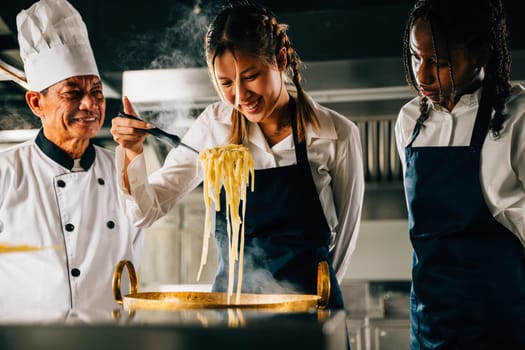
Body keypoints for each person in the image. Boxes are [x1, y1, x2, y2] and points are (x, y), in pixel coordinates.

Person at [111, 2, 364, 310]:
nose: (241, 96)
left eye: (251, 76)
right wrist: (131, 151)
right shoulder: (213, 127)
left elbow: (345, 240)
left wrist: (311, 306)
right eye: (226, 83)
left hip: (311, 313)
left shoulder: (335, 133)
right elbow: (144, 212)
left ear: (281, 59)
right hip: (234, 317)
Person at [0, 0, 144, 317]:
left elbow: (136, 258)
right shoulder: (7, 173)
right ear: (36, 102)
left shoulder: (124, 168)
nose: (90, 104)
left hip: (108, 340)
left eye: (96, 91)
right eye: (73, 93)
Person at [395, 0, 525, 348]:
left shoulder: (518, 118)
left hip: (500, 325)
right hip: (429, 325)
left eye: (438, 63)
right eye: (415, 57)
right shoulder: (410, 122)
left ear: (481, 53)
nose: (421, 76)